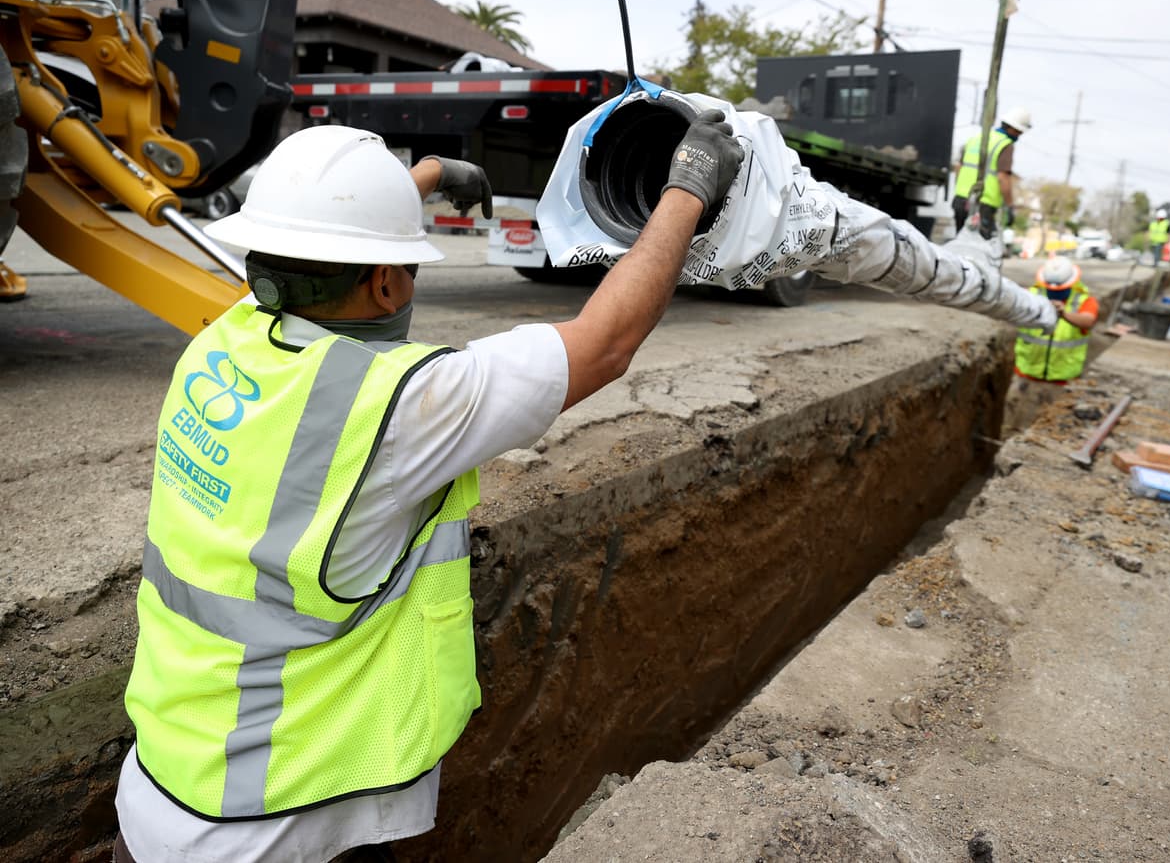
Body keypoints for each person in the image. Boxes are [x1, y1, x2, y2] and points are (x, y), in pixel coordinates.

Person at [113, 115, 744, 862]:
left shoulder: (225, 339)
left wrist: (426, 177)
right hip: (284, 827)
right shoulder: (398, 408)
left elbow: (315, 246)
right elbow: (604, 344)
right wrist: (688, 188)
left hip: (162, 795)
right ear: (384, 281)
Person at [1004, 257, 1099, 429]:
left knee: (1050, 429)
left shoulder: (1084, 301)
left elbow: (1088, 321)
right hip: (1026, 376)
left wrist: (1065, 314)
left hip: (1061, 382)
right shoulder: (1030, 295)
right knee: (1013, 424)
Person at [952, 107, 1032, 240]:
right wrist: (1010, 205)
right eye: (1019, 132)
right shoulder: (1005, 144)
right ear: (1013, 129)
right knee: (981, 248)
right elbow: (1003, 178)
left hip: (961, 200)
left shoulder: (976, 139)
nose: (1019, 135)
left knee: (961, 243)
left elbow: (959, 168)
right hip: (983, 204)